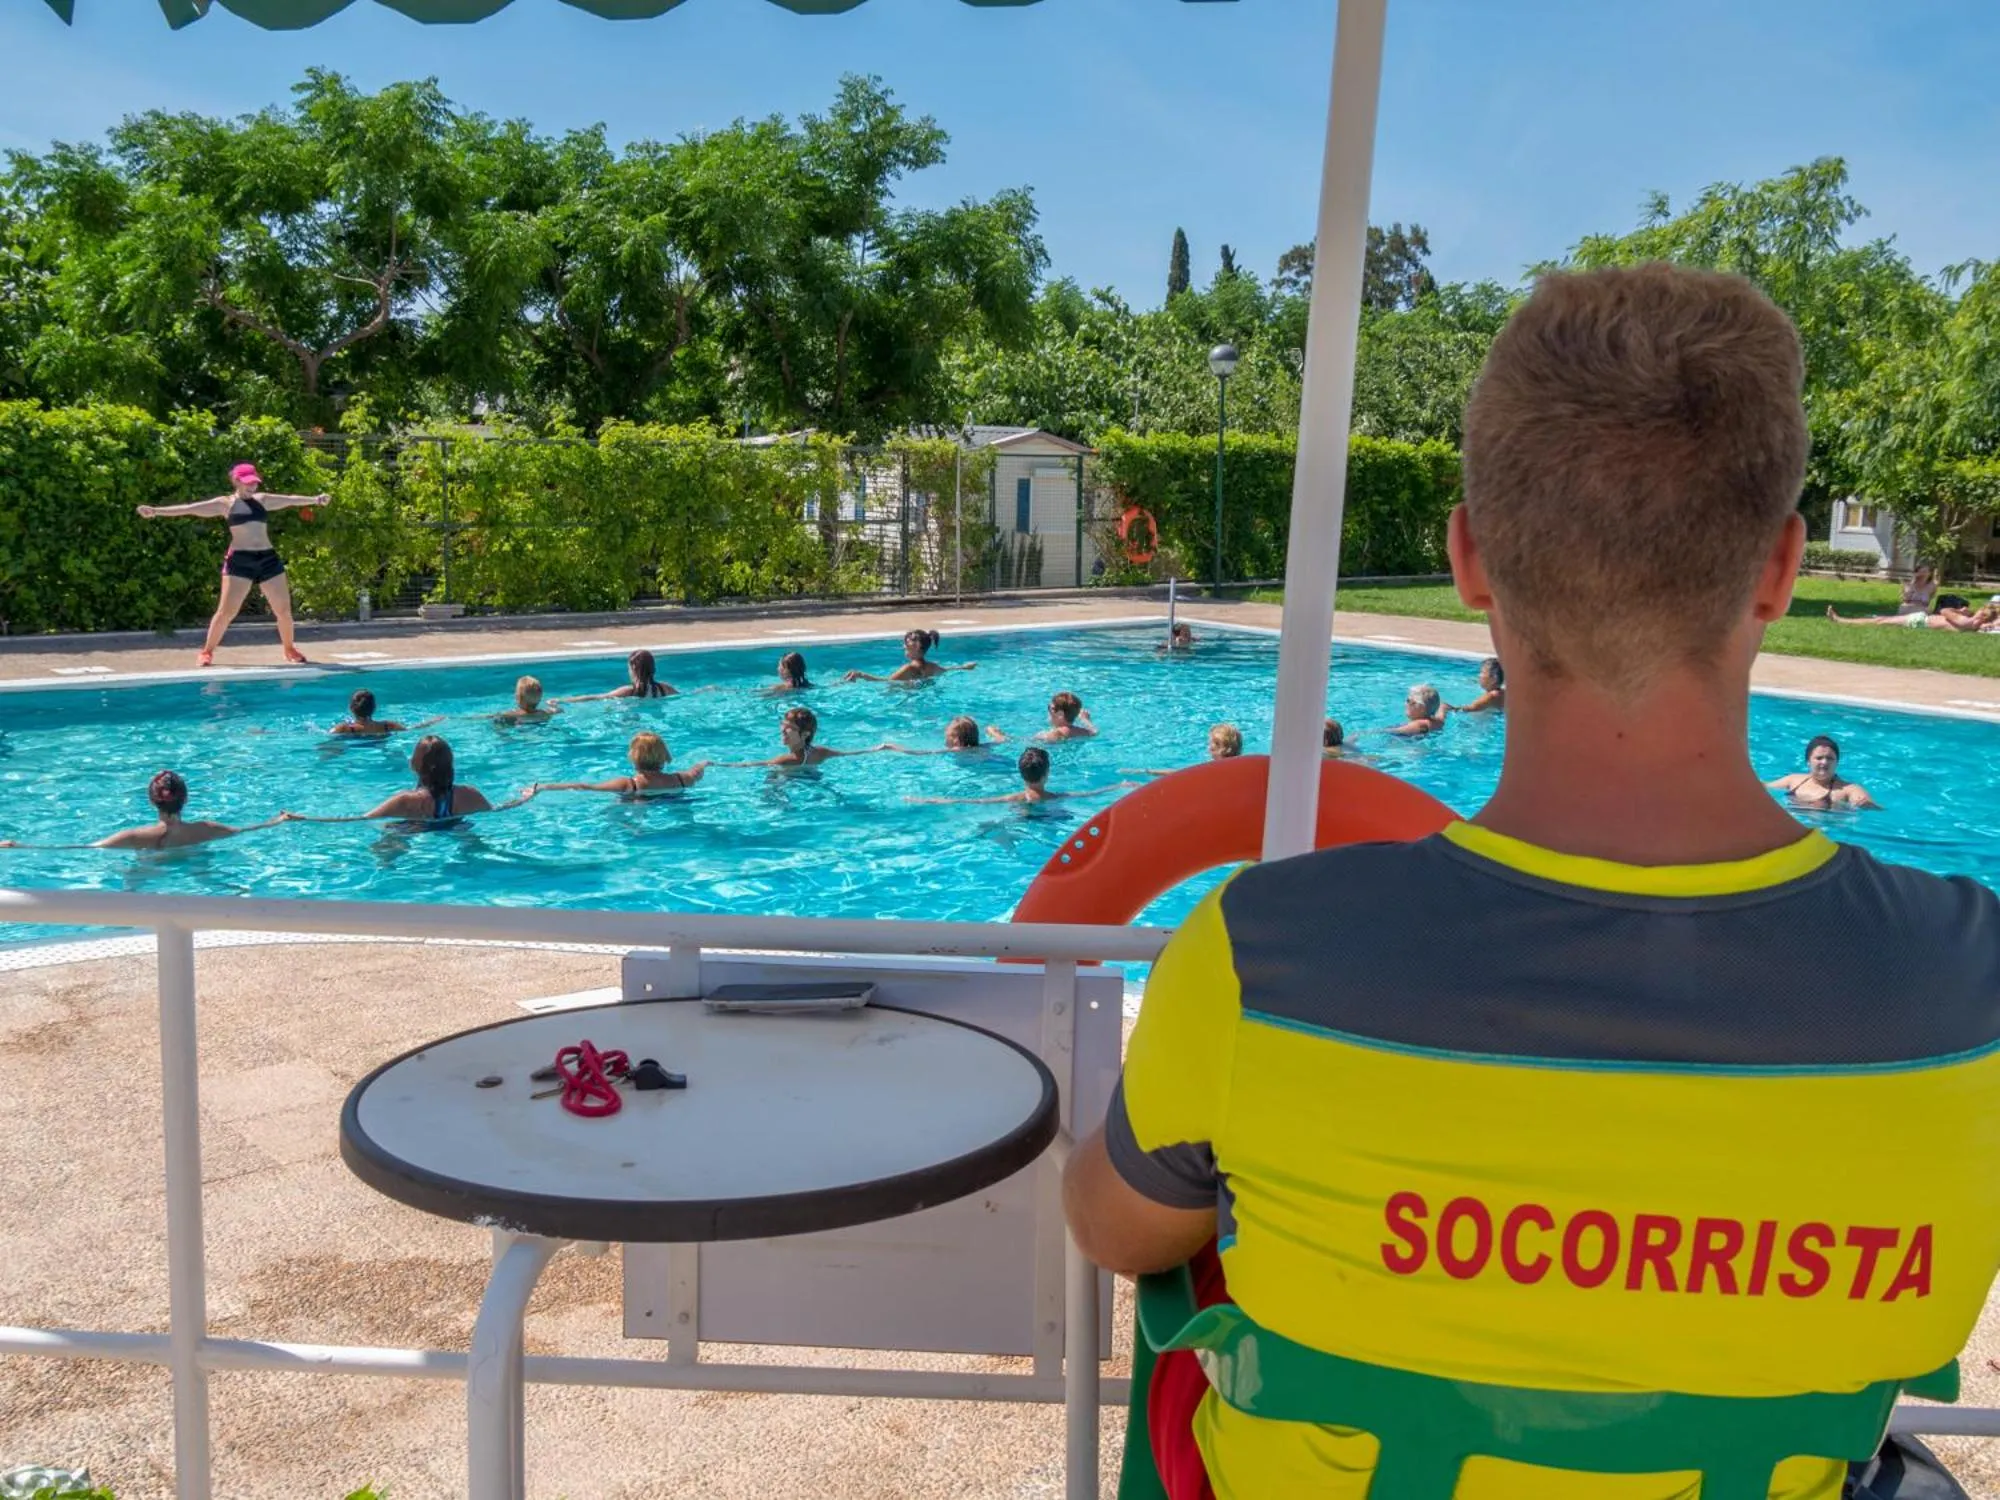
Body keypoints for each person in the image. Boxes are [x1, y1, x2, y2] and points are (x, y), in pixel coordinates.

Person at [1063, 265, 2000, 1500]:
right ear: (1777, 570)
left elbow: (1116, 1228)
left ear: (1467, 560)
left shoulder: (1262, 957)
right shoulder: (1966, 982)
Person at [136, 462, 329, 667]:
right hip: (240, 561)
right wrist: (156, 511)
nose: (252, 487)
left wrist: (316, 500)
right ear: (236, 481)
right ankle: (207, 652)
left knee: (283, 610)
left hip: (267, 559)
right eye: (247, 483)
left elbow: (290, 500)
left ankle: (289, 649)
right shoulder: (224, 504)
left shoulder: (262, 500)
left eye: (254, 483)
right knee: (226, 611)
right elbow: (189, 509)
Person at [0, 770, 282, 851]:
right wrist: (279, 820)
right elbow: (249, 829)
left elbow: (81, 848)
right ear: (185, 800)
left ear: (151, 801)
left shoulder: (134, 837)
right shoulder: (207, 830)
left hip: (153, 875)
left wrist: (19, 845)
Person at [286, 735, 523, 827]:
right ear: (450, 765)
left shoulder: (405, 801)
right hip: (455, 825)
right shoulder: (469, 795)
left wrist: (303, 818)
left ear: (413, 765)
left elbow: (357, 820)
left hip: (414, 828)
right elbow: (498, 810)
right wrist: (525, 798)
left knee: (391, 833)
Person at [909, 746, 1129, 807]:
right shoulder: (1058, 796)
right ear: (1047, 773)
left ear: (1020, 773)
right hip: (1053, 816)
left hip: (1022, 816)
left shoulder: (1013, 798)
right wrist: (1120, 785)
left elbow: (972, 801)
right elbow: (1091, 793)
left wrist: (931, 799)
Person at [535, 731, 707, 798]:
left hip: (637, 798)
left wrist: (543, 786)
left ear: (634, 756)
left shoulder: (628, 783)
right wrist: (705, 763)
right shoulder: (682, 779)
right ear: (664, 755)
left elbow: (584, 787)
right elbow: (696, 771)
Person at [720, 706, 898, 769]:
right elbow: (849, 754)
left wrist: (720, 765)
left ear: (804, 734)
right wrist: (879, 748)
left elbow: (753, 765)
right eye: (783, 725)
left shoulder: (787, 760)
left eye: (788, 728)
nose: (782, 730)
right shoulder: (819, 752)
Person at [1768, 733, 1878, 810]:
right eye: (1819, 758)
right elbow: (1764, 787)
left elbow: (1873, 807)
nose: (1824, 762)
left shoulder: (1849, 789)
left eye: (1830, 758)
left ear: (1837, 762)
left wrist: (1867, 805)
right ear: (1808, 761)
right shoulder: (1793, 780)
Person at [842, 629, 975, 683]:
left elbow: (886, 682)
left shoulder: (908, 669)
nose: (903, 646)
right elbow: (948, 670)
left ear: (917, 646)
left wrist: (861, 675)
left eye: (906, 643)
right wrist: (964, 667)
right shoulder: (932, 667)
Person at [1824, 594, 1996, 631]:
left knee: (1880, 621)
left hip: (1920, 621)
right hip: (1922, 620)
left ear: (1982, 614)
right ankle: (1842, 620)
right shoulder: (1974, 625)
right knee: (1881, 619)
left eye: (1980, 609)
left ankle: (1841, 620)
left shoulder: (1965, 621)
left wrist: (1959, 610)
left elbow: (1943, 610)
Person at [558, 650, 676, 702]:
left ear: (633, 670)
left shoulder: (628, 691)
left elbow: (596, 697)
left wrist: (563, 700)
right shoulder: (665, 688)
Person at [330, 689, 440, 739]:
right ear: (374, 708)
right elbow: (412, 729)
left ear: (351, 708)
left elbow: (326, 737)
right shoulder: (388, 726)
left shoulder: (344, 728)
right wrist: (432, 722)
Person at [492, 676, 560, 725]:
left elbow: (496, 716)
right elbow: (558, 710)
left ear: (517, 697)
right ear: (540, 698)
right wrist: (554, 706)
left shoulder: (512, 715)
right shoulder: (545, 713)